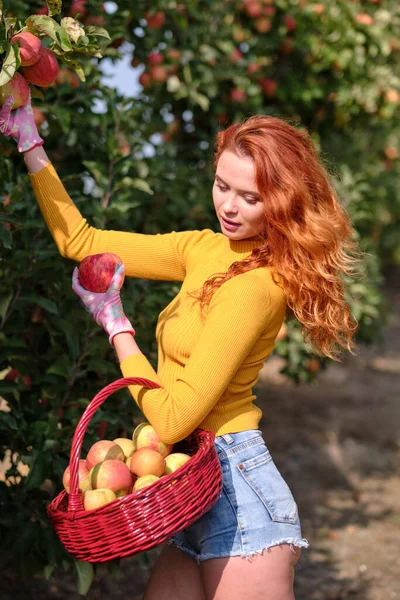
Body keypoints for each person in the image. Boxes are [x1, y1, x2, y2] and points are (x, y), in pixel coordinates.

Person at [1, 95, 363, 600]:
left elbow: (173, 420)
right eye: (221, 186)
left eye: (250, 197)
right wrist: (29, 142)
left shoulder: (257, 287)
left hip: (238, 493)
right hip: (187, 479)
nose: (229, 207)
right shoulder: (203, 248)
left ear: (281, 201)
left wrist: (116, 323)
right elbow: (81, 241)